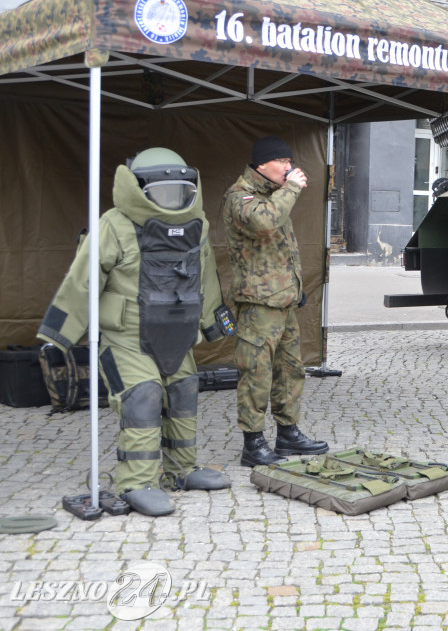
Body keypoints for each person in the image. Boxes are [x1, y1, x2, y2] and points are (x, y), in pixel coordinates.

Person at [38, 148, 235, 516]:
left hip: (178, 334)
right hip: (127, 337)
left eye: (178, 190)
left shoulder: (198, 225)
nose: (171, 199)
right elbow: (83, 281)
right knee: (142, 396)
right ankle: (137, 482)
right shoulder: (114, 225)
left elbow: (206, 276)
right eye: (162, 191)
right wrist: (58, 335)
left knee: (184, 391)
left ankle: (181, 471)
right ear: (139, 188)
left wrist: (211, 323)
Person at [222, 135, 329, 467]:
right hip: (258, 305)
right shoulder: (240, 198)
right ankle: (253, 444)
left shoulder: (274, 196)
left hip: (283, 301)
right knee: (256, 373)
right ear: (261, 165)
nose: (288, 167)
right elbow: (264, 222)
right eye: (281, 161)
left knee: (290, 371)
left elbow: (284, 250)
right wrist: (292, 188)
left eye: (289, 161)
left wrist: (296, 288)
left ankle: (288, 433)